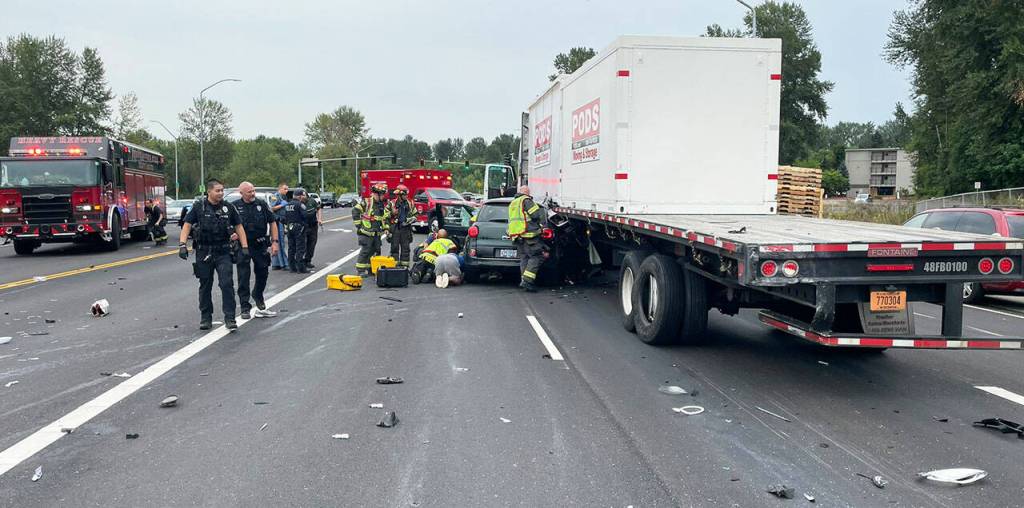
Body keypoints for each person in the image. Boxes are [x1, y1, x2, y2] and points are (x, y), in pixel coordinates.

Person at [178, 178, 249, 330]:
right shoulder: (199, 207)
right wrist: (182, 244)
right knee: (205, 285)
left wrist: (245, 247)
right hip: (204, 251)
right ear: (209, 191)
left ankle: (230, 318)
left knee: (226, 284)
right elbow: (187, 225)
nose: (221, 193)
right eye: (217, 191)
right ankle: (205, 317)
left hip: (223, 250)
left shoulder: (228, 207)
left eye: (222, 190)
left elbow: (239, 226)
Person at [232, 182, 279, 319]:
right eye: (249, 192)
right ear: (241, 193)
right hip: (243, 246)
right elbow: (228, 224)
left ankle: (258, 294)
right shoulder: (235, 206)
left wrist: (275, 242)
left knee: (263, 272)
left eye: (253, 191)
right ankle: (245, 307)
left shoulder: (261, 204)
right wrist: (231, 234)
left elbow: (273, 222)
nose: (252, 194)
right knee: (243, 276)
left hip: (260, 244)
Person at [508, 185, 546, 292]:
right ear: (526, 193)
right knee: (536, 257)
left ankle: (523, 280)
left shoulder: (513, 203)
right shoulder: (526, 200)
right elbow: (535, 215)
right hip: (529, 235)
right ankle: (527, 281)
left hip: (518, 236)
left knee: (524, 258)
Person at [353, 183, 390, 276]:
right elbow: (355, 211)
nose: (383, 197)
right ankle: (360, 270)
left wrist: (385, 228)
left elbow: (382, 218)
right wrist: (359, 226)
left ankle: (371, 269)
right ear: (376, 194)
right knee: (366, 251)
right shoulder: (367, 202)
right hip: (366, 233)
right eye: (382, 195)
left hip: (376, 233)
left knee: (376, 251)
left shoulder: (381, 204)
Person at [386, 184, 416, 269]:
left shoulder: (410, 203)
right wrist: (392, 213)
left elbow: (415, 214)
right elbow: (385, 216)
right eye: (404, 194)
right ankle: (394, 267)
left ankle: (404, 267)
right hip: (395, 229)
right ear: (399, 195)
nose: (406, 196)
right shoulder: (391, 204)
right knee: (394, 249)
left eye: (406, 194)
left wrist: (410, 220)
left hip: (406, 229)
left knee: (406, 249)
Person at [284, 188, 311, 274]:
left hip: (289, 227)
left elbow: (284, 218)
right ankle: (301, 268)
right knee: (300, 248)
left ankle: (292, 267)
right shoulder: (300, 205)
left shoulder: (288, 205)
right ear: (299, 196)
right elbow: (305, 216)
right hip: (299, 227)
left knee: (291, 248)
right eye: (303, 195)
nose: (304, 197)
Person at [270, 182, 290, 271]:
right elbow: (272, 208)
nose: (287, 190)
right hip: (277, 221)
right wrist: (282, 205)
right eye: (285, 189)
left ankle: (276, 263)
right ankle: (284, 264)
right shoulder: (275, 196)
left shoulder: (284, 197)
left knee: (278, 242)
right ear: (280, 188)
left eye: (287, 189)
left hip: (282, 221)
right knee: (280, 242)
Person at [304, 189, 323, 269]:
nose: (302, 197)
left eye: (303, 195)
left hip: (313, 225)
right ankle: (300, 261)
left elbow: (318, 209)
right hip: (303, 226)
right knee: (303, 244)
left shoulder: (312, 201)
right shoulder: (298, 202)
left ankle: (308, 260)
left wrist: (319, 219)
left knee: (312, 243)